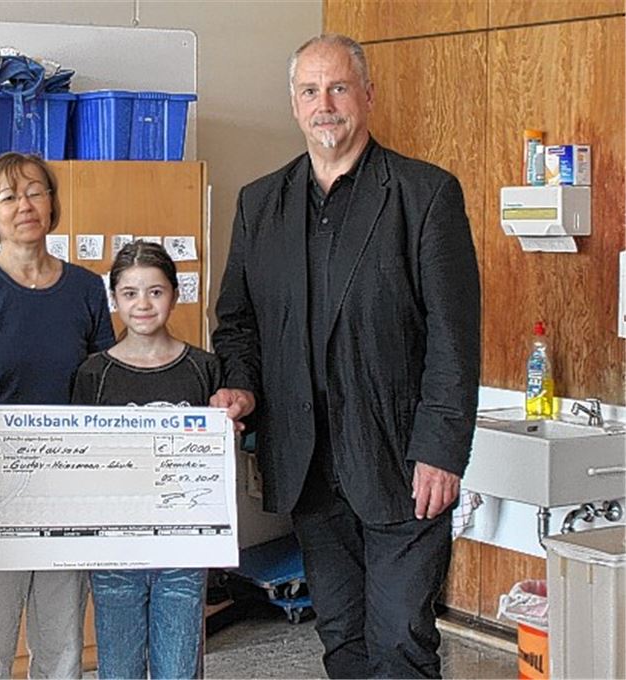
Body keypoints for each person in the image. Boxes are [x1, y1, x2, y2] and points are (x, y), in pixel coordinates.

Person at [211, 33, 481, 678]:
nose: (324, 105)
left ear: (367, 95)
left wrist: (442, 451)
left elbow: (453, 337)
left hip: (402, 462)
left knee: (401, 637)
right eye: (310, 91)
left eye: (338, 88)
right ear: (294, 104)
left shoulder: (424, 195)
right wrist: (241, 385)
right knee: (341, 635)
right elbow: (238, 323)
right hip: (308, 464)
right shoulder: (260, 203)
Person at [0, 152, 116, 678]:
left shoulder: (86, 289)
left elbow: (104, 391)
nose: (24, 205)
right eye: (8, 197)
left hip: (65, 494)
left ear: (52, 202)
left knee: (62, 650)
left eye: (35, 192)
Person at [71, 241, 221, 680]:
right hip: (115, 549)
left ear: (175, 294)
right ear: (114, 299)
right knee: (119, 669)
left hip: (184, 548)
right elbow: (78, 462)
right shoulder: (93, 373)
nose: (142, 304)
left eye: (155, 292)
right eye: (130, 293)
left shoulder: (204, 368)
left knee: (180, 669)